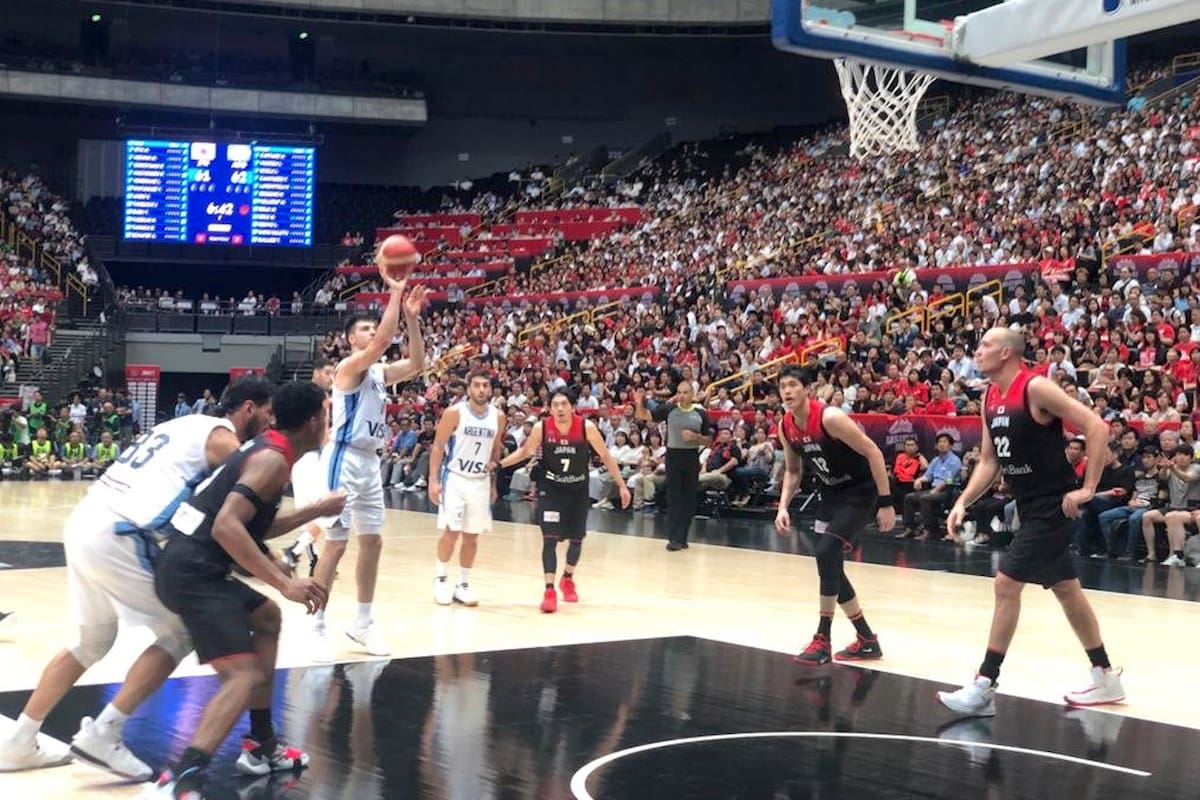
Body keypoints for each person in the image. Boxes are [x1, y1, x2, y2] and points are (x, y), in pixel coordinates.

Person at [0, 378, 275, 778]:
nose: (270, 422)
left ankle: (18, 741)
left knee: (89, 641)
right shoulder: (224, 440)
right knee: (181, 632)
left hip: (85, 520)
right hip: (122, 532)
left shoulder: (177, 426)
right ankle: (105, 731)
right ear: (249, 408)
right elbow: (239, 503)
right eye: (267, 412)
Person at [146, 381, 341, 799]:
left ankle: (260, 745)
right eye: (326, 413)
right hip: (193, 572)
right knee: (242, 675)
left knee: (267, 618)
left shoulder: (272, 451)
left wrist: (315, 510)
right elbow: (226, 526)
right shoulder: (271, 459)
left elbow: (253, 525)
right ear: (312, 421)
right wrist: (285, 582)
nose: (329, 421)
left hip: (191, 565)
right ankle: (180, 778)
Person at [939, 327, 1125, 716]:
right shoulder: (990, 395)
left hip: (1055, 506)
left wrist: (1087, 488)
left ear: (1007, 352)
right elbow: (990, 461)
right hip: (1028, 505)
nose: (977, 350)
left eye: (985, 345)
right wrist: (962, 501)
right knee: (1067, 590)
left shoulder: (1035, 388)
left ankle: (985, 683)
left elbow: (1097, 427)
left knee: (1007, 583)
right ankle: (1105, 675)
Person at [310, 269, 428, 662]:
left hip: (369, 460)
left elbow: (416, 363)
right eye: (363, 328)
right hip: (342, 457)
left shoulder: (377, 373)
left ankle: (362, 621)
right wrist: (394, 293)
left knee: (373, 542)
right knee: (335, 546)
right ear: (350, 338)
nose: (370, 332)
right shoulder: (349, 367)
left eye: (371, 327)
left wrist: (410, 316)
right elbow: (381, 343)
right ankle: (317, 624)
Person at [774, 366, 896, 665]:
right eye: (782, 387)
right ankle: (867, 639)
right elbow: (792, 470)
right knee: (830, 565)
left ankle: (822, 638)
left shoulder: (829, 418)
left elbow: (873, 452)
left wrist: (886, 502)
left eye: (792, 385)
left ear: (807, 389)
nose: (787, 391)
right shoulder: (785, 426)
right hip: (831, 494)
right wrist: (782, 506)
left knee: (826, 551)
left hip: (859, 491)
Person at [498, 388, 630, 612]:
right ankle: (549, 590)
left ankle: (567, 578)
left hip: (577, 490)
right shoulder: (542, 427)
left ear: (572, 407)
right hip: (551, 490)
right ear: (549, 408)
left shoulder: (586, 427)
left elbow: (606, 456)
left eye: (564, 404)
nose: (560, 408)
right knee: (549, 539)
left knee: (576, 540)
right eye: (555, 404)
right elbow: (524, 452)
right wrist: (498, 465)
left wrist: (623, 485)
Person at [428, 370, 505, 607]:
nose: (481, 390)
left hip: (480, 480)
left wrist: (492, 482)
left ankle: (462, 584)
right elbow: (438, 446)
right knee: (452, 532)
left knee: (472, 536)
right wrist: (433, 480)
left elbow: (496, 449)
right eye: (477, 385)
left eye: (485, 386)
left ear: (490, 389)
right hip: (455, 478)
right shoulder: (454, 413)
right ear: (469, 388)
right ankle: (440, 578)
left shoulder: (498, 416)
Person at [634, 383, 714, 551]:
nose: (681, 395)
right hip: (674, 456)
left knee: (689, 498)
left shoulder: (700, 413)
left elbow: (709, 440)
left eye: (685, 392)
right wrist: (638, 402)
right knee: (674, 497)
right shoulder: (669, 409)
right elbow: (644, 416)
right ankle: (674, 538)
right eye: (679, 392)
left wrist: (695, 437)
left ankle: (683, 537)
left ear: (692, 394)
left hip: (692, 457)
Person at [283, 357, 336, 576]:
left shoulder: (296, 395)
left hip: (297, 457)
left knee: (310, 513)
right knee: (326, 513)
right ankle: (294, 551)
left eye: (333, 373)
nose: (331, 377)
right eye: (327, 372)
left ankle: (313, 560)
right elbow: (323, 432)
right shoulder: (321, 398)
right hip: (313, 457)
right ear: (315, 373)